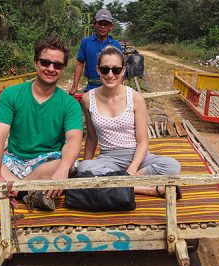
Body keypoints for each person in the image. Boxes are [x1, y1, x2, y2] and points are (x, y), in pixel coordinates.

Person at [0, 37, 83, 211]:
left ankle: (3, 191)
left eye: (57, 65)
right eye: (45, 62)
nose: (51, 69)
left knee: (69, 164)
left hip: (47, 162)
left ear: (63, 69)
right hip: (14, 160)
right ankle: (26, 193)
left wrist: (62, 169)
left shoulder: (69, 104)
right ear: (36, 63)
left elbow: (74, 140)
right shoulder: (11, 95)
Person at [77, 46, 182, 198]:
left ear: (123, 70)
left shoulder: (135, 98)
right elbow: (92, 138)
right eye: (105, 70)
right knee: (83, 168)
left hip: (138, 157)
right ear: (98, 70)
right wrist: (85, 172)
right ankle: (148, 189)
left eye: (116, 70)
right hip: (109, 159)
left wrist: (132, 170)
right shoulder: (88, 99)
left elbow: (142, 142)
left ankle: (118, 185)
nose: (110, 75)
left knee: (172, 166)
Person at [68, 8, 122, 95]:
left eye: (106, 24)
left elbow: (120, 69)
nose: (103, 27)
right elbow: (80, 63)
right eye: (100, 23)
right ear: (94, 24)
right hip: (92, 87)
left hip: (111, 86)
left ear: (111, 27)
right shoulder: (86, 42)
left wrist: (120, 87)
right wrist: (75, 86)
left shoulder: (116, 45)